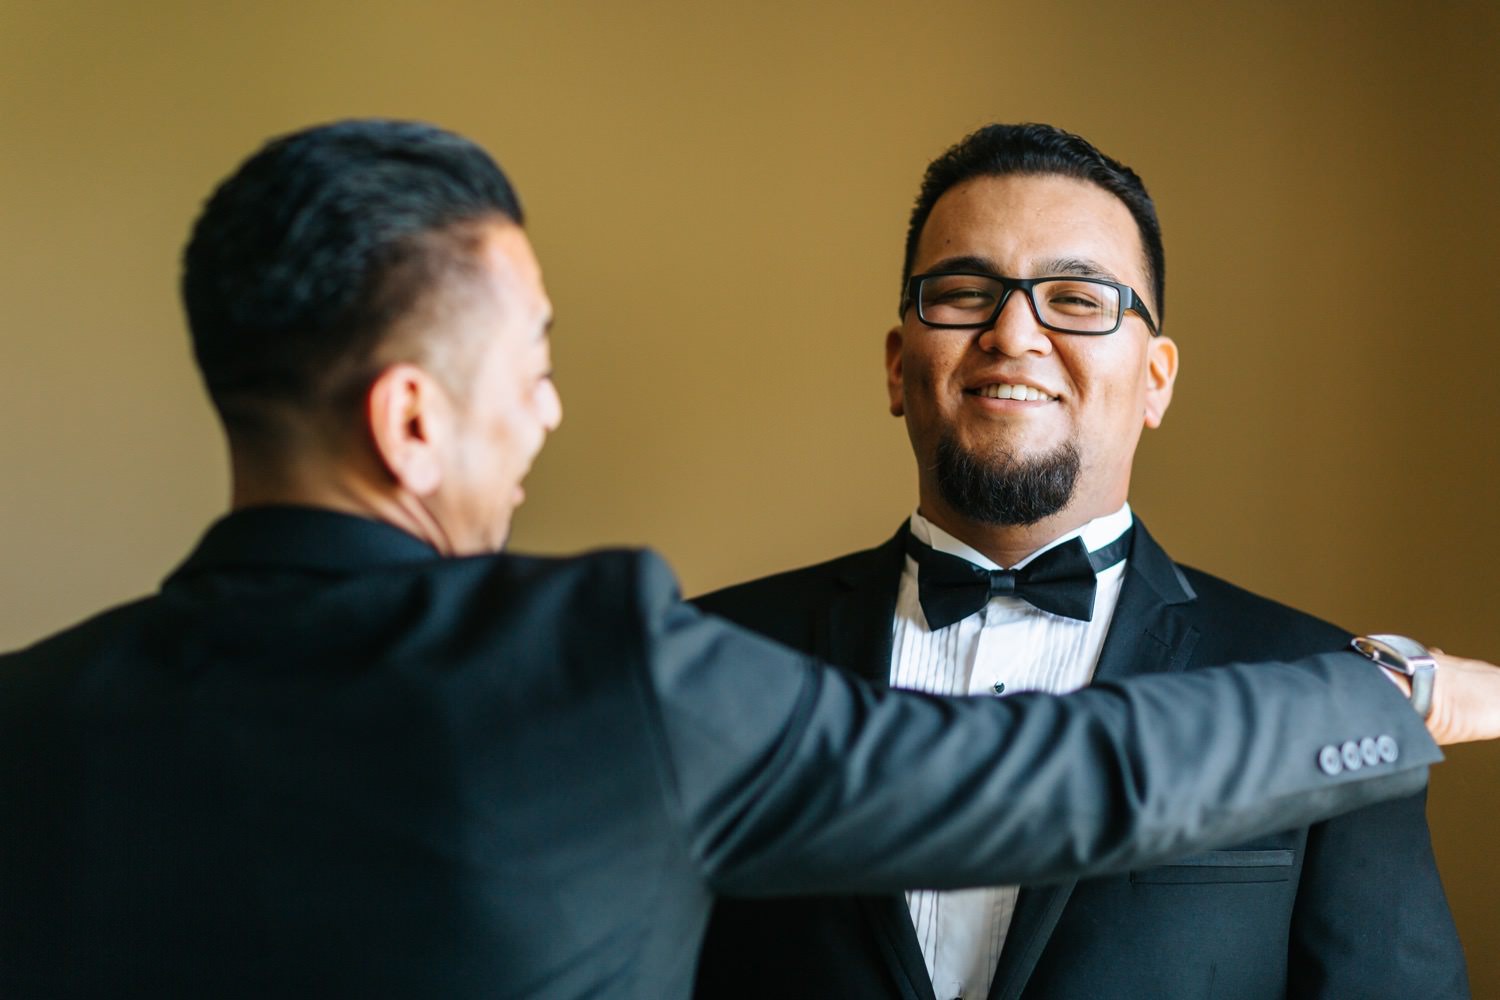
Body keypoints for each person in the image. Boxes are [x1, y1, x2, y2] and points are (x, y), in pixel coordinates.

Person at [0, 120, 1494, 1000]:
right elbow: (1082, 775)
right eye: (535, 362)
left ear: (1158, 373)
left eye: (1080, 301)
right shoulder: (631, 671)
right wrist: (1402, 690)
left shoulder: (27, 719)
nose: (552, 408)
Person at [691, 123, 1471, 1000]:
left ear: (1156, 380)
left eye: (1077, 298)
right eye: (963, 291)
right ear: (896, 361)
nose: (1013, 332)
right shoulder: (708, 656)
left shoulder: (1331, 692)